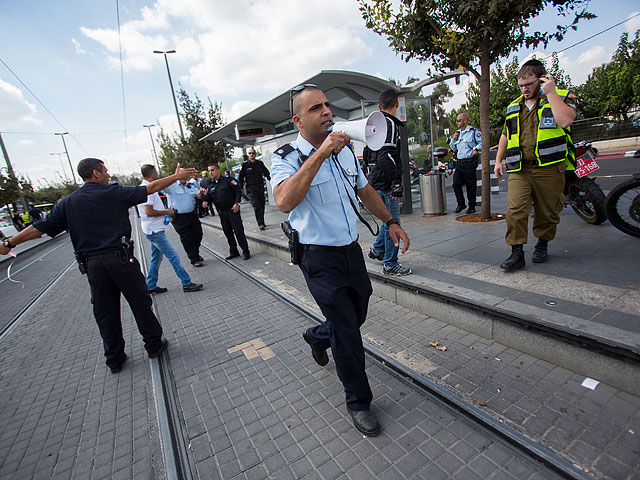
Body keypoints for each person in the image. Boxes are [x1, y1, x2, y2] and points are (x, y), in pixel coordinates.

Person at [271, 84, 410, 437]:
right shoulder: (286, 157)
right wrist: (321, 153)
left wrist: (390, 222)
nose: (327, 112)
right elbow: (285, 201)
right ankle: (358, 402)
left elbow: (365, 190)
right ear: (298, 120)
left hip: (350, 252)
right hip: (318, 259)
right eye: (316, 108)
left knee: (357, 313)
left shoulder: (347, 151)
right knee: (348, 330)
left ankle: (318, 337)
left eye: (327, 105)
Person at [0, 158, 198, 373]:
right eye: (104, 170)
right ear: (95, 173)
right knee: (140, 303)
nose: (108, 173)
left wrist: (9, 242)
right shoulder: (113, 193)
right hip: (121, 259)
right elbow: (149, 188)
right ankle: (153, 344)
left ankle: (114, 357)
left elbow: (39, 228)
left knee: (105, 311)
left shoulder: (67, 203)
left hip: (93, 266)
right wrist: (177, 177)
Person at [495, 59, 577, 271]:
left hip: (550, 168)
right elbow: (506, 134)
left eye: (529, 84)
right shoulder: (514, 106)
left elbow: (566, 120)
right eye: (521, 85)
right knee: (515, 211)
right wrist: (498, 160)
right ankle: (517, 253)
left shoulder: (561, 97)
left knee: (547, 212)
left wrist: (551, 93)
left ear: (542, 80)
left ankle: (542, 243)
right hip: (520, 168)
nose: (524, 89)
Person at [364, 88, 412, 276]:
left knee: (386, 220)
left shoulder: (375, 125)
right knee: (393, 221)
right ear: (397, 104)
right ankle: (390, 263)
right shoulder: (390, 125)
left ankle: (377, 250)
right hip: (386, 182)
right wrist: (396, 182)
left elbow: (369, 154)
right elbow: (386, 156)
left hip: (375, 179)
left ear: (379, 106)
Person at [137, 164, 203, 294]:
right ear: (153, 174)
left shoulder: (146, 188)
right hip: (154, 231)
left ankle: (150, 284)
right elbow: (149, 211)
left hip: (153, 229)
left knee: (156, 258)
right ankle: (186, 283)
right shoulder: (148, 190)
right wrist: (167, 211)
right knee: (173, 256)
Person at [201, 163, 251, 260]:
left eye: (212, 170)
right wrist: (205, 202)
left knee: (238, 232)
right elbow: (209, 198)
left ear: (218, 170)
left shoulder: (228, 180)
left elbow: (238, 191)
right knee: (228, 233)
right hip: (222, 213)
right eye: (209, 171)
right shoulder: (210, 186)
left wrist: (237, 203)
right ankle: (234, 251)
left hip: (232, 210)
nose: (210, 172)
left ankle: (245, 251)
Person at [163, 176, 205, 267]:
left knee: (198, 235)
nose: (183, 176)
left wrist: (201, 193)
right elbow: (161, 187)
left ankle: (195, 254)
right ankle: (194, 259)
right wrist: (173, 177)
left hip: (192, 215)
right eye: (181, 174)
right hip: (179, 218)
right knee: (187, 238)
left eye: (184, 174)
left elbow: (197, 195)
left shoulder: (191, 185)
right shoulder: (171, 186)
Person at [450, 112, 482, 214]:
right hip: (459, 162)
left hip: (469, 162)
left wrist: (476, 149)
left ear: (465, 121)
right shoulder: (457, 133)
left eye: (459, 120)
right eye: (456, 120)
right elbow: (453, 147)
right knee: (456, 184)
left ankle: (472, 205)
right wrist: (453, 139)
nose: (457, 122)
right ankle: (461, 203)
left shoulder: (473, 132)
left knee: (470, 185)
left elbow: (482, 142)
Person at [239, 147, 271, 230]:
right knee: (256, 205)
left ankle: (262, 221)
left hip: (260, 187)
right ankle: (260, 223)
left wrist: (272, 180)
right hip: (251, 188)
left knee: (262, 204)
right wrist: (241, 187)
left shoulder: (260, 163)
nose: (251, 155)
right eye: (250, 153)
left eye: (253, 153)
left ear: (255, 154)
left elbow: (266, 172)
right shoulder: (245, 165)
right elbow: (241, 177)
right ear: (248, 155)